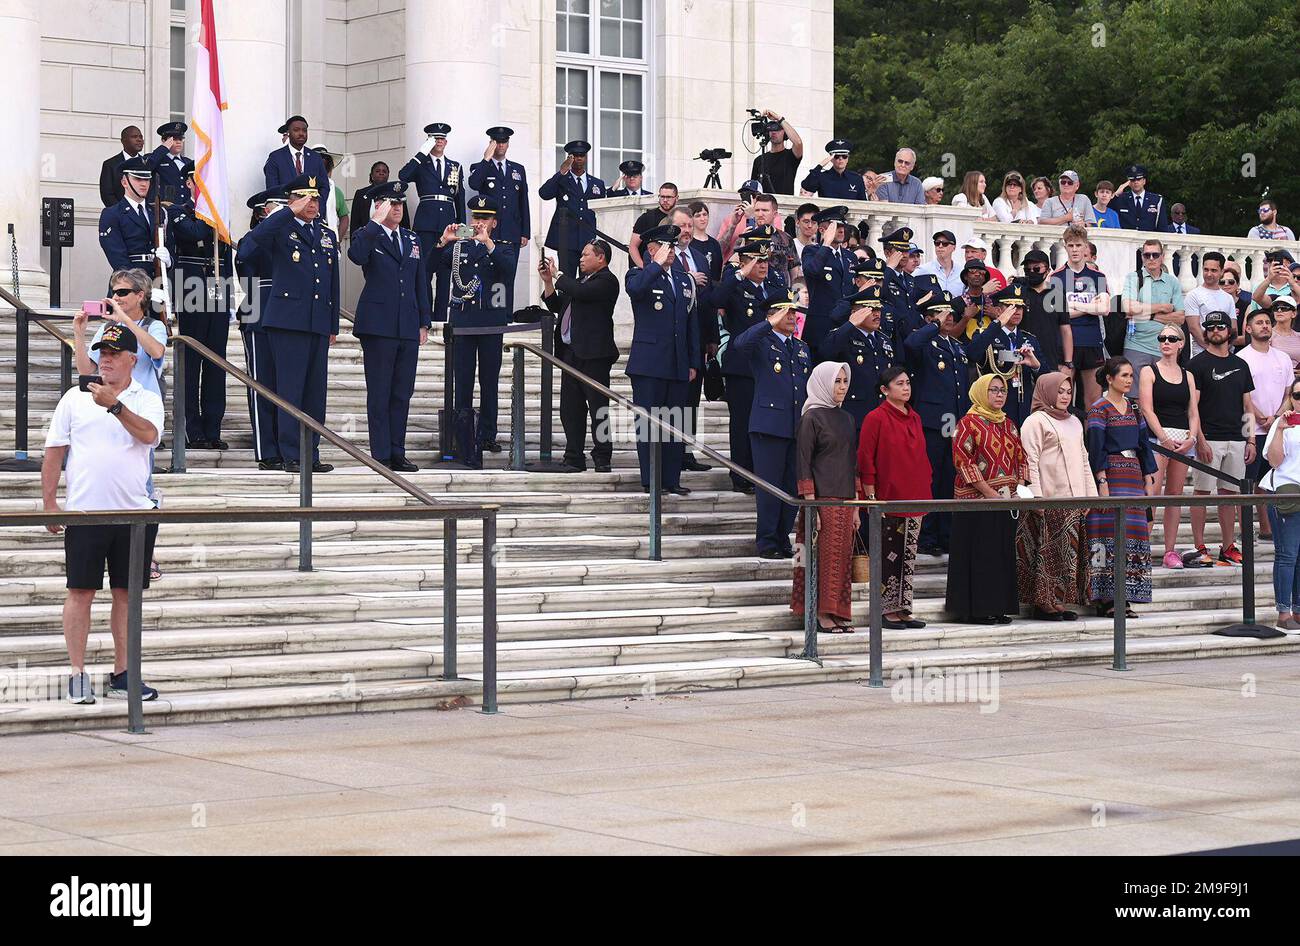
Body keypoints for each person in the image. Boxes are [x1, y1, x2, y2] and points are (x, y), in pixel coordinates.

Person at [42, 322, 164, 704]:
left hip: (134, 515)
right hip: (85, 513)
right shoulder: (74, 399)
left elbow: (147, 435)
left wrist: (115, 406)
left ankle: (124, 672)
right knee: (80, 591)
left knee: (127, 596)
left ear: (132, 359)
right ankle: (77, 673)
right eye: (102, 354)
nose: (106, 361)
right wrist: (49, 503)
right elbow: (54, 452)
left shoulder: (145, 397)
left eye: (114, 355)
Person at [234, 173, 339, 474]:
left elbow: (332, 282)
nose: (312, 202)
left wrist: (332, 324)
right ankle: (290, 453)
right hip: (287, 321)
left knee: (314, 395)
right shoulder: (279, 230)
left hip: (317, 320)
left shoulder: (326, 234)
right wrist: (284, 215)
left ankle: (311, 453)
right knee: (289, 391)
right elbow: (247, 249)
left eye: (316, 197)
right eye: (305, 197)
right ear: (291, 202)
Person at [74, 267, 169, 581]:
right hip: (105, 406)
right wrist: (79, 333)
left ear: (140, 296)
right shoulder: (107, 330)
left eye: (123, 292)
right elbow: (88, 369)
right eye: (113, 292)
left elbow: (156, 351)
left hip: (141, 409)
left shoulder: (153, 326)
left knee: (142, 481)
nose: (116, 297)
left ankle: (147, 553)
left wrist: (125, 321)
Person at [347, 180, 430, 471]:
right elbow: (356, 256)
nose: (397, 208)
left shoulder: (411, 239)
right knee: (380, 391)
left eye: (400, 203)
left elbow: (420, 281)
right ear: (380, 207)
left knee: (401, 392)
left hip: (407, 324)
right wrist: (374, 223)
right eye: (391, 204)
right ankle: (380, 452)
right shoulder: (367, 234)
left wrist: (424, 321)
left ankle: (397, 450)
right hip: (379, 325)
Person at [431, 194, 517, 465]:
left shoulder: (501, 247)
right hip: (463, 322)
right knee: (463, 380)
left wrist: (488, 243)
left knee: (489, 380)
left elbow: (509, 269)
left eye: (484, 219)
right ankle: (462, 435)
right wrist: (443, 241)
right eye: (475, 218)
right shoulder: (459, 248)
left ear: (494, 222)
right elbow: (430, 267)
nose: (478, 223)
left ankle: (487, 433)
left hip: (491, 322)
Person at [734, 289, 810, 558]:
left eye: (793, 311)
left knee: (791, 488)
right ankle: (767, 541)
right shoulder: (763, 341)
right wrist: (768, 323)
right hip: (769, 426)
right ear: (772, 314)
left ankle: (782, 539)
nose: (792, 316)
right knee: (769, 488)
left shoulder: (801, 348)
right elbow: (740, 345)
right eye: (786, 312)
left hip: (796, 426)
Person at [625, 223, 700, 496]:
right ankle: (651, 479)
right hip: (649, 364)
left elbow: (690, 323)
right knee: (649, 424)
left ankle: (671, 478)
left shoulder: (682, 280)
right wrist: (654, 265)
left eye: (673, 246)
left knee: (675, 423)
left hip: (677, 363)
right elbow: (636, 291)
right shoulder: (640, 274)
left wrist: (693, 362)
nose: (672, 251)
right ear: (652, 248)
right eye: (666, 246)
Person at [946, 374, 1027, 624]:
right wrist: (990, 494)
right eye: (993, 390)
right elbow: (963, 462)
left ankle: (999, 606)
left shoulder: (1009, 424)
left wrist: (1019, 489)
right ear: (981, 392)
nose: (999, 394)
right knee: (980, 554)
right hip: (976, 501)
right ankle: (977, 610)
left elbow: (1021, 459)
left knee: (1001, 554)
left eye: (1002, 390)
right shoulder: (966, 423)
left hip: (1006, 500)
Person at [858, 366, 931, 628]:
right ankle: (885, 610)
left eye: (908, 382)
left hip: (915, 496)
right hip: (888, 497)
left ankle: (903, 607)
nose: (906, 387)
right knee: (888, 555)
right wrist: (870, 493)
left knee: (908, 556)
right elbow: (866, 457)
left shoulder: (915, 418)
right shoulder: (875, 418)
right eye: (899, 384)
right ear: (884, 390)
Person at [1018, 372, 1095, 619]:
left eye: (1068, 392)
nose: (1064, 396)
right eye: (1059, 391)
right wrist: (1036, 497)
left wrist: (1089, 495)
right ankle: (1043, 603)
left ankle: (1059, 600)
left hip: (1073, 497)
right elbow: (1030, 459)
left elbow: (1084, 459)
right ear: (1047, 391)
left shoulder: (1073, 421)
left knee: (1068, 552)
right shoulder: (1035, 421)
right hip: (1049, 496)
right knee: (1046, 552)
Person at [540, 238, 620, 473]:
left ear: (600, 258)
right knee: (570, 408)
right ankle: (573, 454)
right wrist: (548, 281)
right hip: (571, 353)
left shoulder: (607, 281)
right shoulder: (580, 282)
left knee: (598, 407)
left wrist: (558, 275)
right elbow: (556, 303)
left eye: (586, 255)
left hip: (594, 355)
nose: (581, 258)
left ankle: (602, 455)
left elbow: (580, 292)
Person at [1085, 358, 1157, 616]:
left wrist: (1149, 477)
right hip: (1112, 476)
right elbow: (1096, 446)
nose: (1129, 380)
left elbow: (1144, 443)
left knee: (1132, 535)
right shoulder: (1098, 409)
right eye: (1124, 375)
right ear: (1109, 378)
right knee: (1107, 536)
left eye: (1130, 375)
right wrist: (1101, 480)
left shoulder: (1134, 408)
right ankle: (1105, 598)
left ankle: (1125, 595)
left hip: (1134, 476)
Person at [792, 361, 858, 632]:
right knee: (821, 558)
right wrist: (812, 505)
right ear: (822, 382)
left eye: (844, 381)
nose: (841, 387)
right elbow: (803, 462)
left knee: (841, 561)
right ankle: (819, 613)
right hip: (821, 501)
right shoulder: (811, 418)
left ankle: (837, 612)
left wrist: (855, 505)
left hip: (844, 499)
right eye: (836, 381)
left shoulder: (847, 418)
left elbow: (850, 461)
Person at [171, 168, 233, 450]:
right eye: (201, 183)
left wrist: (231, 295)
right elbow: (193, 231)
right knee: (192, 359)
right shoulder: (178, 212)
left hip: (216, 287)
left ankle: (212, 427)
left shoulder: (219, 216)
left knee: (215, 361)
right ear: (188, 183)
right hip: (191, 286)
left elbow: (227, 254)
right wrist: (211, 213)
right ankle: (191, 428)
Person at [1187, 310, 1256, 566]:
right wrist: (1200, 439)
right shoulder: (1196, 364)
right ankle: (1199, 547)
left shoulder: (1241, 364)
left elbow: (1247, 406)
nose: (1216, 330)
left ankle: (1228, 546)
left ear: (1230, 331)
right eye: (1211, 327)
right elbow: (1193, 407)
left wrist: (1251, 440)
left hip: (1237, 440)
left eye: (1221, 327)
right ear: (1206, 331)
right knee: (1202, 492)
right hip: (1209, 438)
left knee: (1230, 494)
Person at [906, 291, 971, 557]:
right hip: (932, 422)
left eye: (949, 313)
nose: (947, 317)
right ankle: (927, 535)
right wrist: (932, 325)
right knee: (930, 478)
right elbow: (910, 346)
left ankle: (946, 534)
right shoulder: (925, 341)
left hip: (953, 422)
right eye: (940, 313)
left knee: (948, 479)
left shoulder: (954, 346)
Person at [719, 241, 780, 493]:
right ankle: (741, 474)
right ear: (744, 263)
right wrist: (738, 274)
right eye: (757, 261)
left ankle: (760, 472)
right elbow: (716, 299)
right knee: (742, 422)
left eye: (766, 260)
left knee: (764, 422)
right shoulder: (736, 285)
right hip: (741, 366)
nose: (763, 265)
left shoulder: (774, 287)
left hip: (768, 364)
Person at [1137, 324, 1200, 568]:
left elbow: (1193, 412)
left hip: (1183, 438)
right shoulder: (1149, 371)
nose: (1166, 342)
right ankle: (1142, 550)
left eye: (1171, 338)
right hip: (1157, 439)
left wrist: (1192, 438)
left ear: (1181, 344)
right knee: (1150, 495)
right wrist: (1162, 438)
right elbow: (1146, 408)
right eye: (1162, 338)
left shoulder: (1188, 375)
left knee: (1175, 496)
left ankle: (1170, 551)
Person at [667, 208, 719, 472]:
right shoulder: (662, 255)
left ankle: (687, 452)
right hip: (673, 341)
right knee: (674, 400)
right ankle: (671, 455)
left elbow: (708, 301)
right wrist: (688, 279)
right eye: (682, 226)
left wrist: (711, 337)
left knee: (692, 400)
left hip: (698, 337)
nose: (686, 230)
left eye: (689, 226)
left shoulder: (700, 256)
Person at [399, 122, 467, 323]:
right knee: (425, 270)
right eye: (434, 138)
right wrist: (421, 153)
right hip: (426, 223)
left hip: (448, 224)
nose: (439, 141)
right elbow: (403, 176)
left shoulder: (455, 166)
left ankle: (440, 318)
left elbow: (459, 198)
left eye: (441, 138)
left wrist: (462, 229)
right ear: (429, 141)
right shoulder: (421, 165)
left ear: (446, 142)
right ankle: (425, 316)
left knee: (446, 272)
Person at [236, 189, 283, 470]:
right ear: (261, 212)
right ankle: (267, 451)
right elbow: (246, 266)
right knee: (262, 384)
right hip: (259, 312)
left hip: (289, 318)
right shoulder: (253, 239)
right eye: (276, 207)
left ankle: (286, 445)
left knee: (284, 386)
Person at [1238, 308, 1293, 536]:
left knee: (1273, 481)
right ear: (1249, 328)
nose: (1265, 326)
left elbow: (1289, 393)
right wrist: (1261, 416)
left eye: (1267, 322)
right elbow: (1242, 396)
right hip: (1249, 426)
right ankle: (1247, 531)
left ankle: (1269, 528)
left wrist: (1277, 417)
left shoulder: (1283, 358)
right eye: (1259, 322)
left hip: (1279, 429)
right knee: (1248, 483)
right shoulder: (1241, 358)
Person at [467, 126, 530, 315]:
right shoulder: (480, 167)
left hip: (511, 231)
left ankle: (505, 314)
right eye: (497, 142)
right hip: (489, 233)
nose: (501, 145)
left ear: (508, 144)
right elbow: (474, 184)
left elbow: (523, 202)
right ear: (491, 143)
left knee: (508, 275)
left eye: (504, 142)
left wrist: (525, 231)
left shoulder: (517, 169)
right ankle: (492, 313)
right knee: (489, 274)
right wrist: (486, 158)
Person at [966, 281, 1043, 427]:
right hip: (996, 409)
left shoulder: (1029, 339)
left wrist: (1036, 366)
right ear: (999, 310)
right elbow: (972, 354)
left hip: (1024, 409)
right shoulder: (986, 335)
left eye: (1020, 307)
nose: (1017, 311)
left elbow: (1045, 378)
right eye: (1010, 306)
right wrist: (997, 324)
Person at [819, 286, 894, 435]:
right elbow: (825, 352)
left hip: (883, 413)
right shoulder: (844, 335)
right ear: (854, 313)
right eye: (870, 310)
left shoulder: (884, 340)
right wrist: (850, 325)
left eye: (878, 309)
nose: (877, 314)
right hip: (855, 415)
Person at [1050, 224, 1110, 408]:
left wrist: (1075, 305)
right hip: (1066, 343)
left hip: (1092, 342)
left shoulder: (1097, 275)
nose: (1075, 250)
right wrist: (1091, 306)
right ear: (1065, 246)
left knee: (1093, 402)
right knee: (1062, 400)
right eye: (1071, 245)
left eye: (1078, 245)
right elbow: (1059, 313)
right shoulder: (1056, 277)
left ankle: (1091, 437)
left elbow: (1105, 309)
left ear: (1086, 247)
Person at [1261, 382, 1300, 631]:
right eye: (1297, 394)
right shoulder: (1282, 424)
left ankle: (1297, 609)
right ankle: (1283, 612)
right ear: (1291, 397)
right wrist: (1280, 430)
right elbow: (1274, 461)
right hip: (1286, 492)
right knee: (1287, 554)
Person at [98, 156, 176, 275]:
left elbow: (169, 245)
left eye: (147, 179)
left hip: (157, 281)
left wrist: (169, 261)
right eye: (138, 179)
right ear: (124, 182)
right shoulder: (112, 214)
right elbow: (118, 258)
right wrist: (138, 284)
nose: (144, 184)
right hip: (128, 283)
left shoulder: (160, 213)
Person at [539, 140, 606, 277]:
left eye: (582, 155)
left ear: (586, 157)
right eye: (575, 155)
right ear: (569, 158)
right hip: (566, 239)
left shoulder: (597, 184)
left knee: (587, 281)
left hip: (588, 240)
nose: (579, 158)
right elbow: (544, 193)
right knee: (566, 280)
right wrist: (561, 172)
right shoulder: (561, 179)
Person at [1121, 239, 1184, 373]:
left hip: (1165, 346)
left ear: (1162, 256)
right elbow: (1129, 308)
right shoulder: (1133, 277)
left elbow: (1180, 318)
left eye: (1155, 255)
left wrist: (1148, 314)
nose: (1151, 258)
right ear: (1142, 257)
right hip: (1136, 345)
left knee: (1163, 393)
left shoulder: (1173, 282)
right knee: (1133, 393)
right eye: (1147, 255)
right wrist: (1161, 307)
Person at [800, 205, 857, 352]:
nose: (841, 230)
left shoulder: (850, 257)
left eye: (842, 225)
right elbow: (812, 271)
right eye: (835, 226)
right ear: (822, 230)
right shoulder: (812, 251)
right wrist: (825, 244)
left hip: (845, 324)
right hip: (821, 326)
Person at [263, 116, 330, 208]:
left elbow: (324, 186)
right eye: (296, 130)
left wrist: (317, 208)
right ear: (288, 133)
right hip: (286, 214)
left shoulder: (315, 158)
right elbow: (272, 190)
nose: (301, 133)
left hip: (311, 215)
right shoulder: (276, 158)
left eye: (304, 130)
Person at [1020, 249, 1070, 373]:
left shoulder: (1057, 294)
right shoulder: (1019, 291)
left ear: (1047, 270)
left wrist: (1068, 363)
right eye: (1027, 270)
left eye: (1036, 269)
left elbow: (1065, 329)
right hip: (1022, 358)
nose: (1032, 272)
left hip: (1050, 359)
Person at [1183, 250, 1234, 356]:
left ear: (1222, 271)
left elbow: (1233, 329)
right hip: (1201, 354)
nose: (1209, 274)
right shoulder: (1193, 295)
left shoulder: (1228, 298)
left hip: (1225, 354)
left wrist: (1223, 350)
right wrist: (1213, 351)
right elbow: (1194, 328)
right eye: (1206, 270)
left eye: (1214, 270)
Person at [750, 110, 804, 194]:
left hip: (784, 204)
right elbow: (753, 188)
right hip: (764, 204)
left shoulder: (790, 156)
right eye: (771, 129)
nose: (774, 132)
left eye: (778, 129)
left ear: (785, 134)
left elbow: (798, 143)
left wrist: (779, 119)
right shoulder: (759, 160)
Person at [628, 183, 679, 267]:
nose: (665, 200)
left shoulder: (680, 217)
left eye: (669, 197)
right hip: (650, 266)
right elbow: (633, 247)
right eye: (662, 197)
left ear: (677, 198)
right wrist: (644, 268)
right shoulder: (646, 218)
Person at [145, 121, 194, 206]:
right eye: (174, 139)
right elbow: (146, 168)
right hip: (164, 209)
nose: (178, 142)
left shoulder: (187, 162)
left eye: (180, 139)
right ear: (164, 141)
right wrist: (163, 148)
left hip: (186, 210)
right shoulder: (157, 159)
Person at [351, 162, 410, 230]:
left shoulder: (397, 194)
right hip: (367, 237)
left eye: (384, 171)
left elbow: (405, 221)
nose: (381, 173)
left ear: (388, 175)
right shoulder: (361, 194)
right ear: (372, 175)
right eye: (377, 171)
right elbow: (355, 221)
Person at [799, 139, 866, 200]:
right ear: (831, 159)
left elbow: (863, 202)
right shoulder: (822, 177)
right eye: (836, 156)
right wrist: (820, 165)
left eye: (844, 156)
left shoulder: (856, 179)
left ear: (848, 158)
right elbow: (806, 186)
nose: (841, 159)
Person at [99, 125, 145, 208]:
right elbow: (107, 195)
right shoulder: (110, 164)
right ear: (123, 141)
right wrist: (123, 212)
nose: (139, 140)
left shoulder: (146, 164)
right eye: (134, 137)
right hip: (120, 216)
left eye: (141, 137)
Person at [1111, 164, 1167, 231]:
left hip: (1149, 240)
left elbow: (1162, 226)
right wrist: (1116, 194)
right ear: (1129, 183)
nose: (1136, 182)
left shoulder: (1156, 200)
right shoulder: (1121, 199)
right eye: (1132, 180)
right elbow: (1107, 211)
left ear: (1144, 181)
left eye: (1138, 179)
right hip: (1128, 239)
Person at [311, 146, 350, 240]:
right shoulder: (301, 187)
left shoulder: (336, 191)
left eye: (326, 163)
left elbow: (344, 218)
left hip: (330, 240)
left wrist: (337, 239)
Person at [916, 229, 963, 297]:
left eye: (945, 243)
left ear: (954, 247)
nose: (940, 246)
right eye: (937, 243)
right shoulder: (924, 270)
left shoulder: (961, 272)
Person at [1268, 296, 1300, 370]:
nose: (1279, 310)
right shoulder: (1268, 335)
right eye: (1276, 308)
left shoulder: (1298, 336)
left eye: (1284, 308)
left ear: (1294, 314)